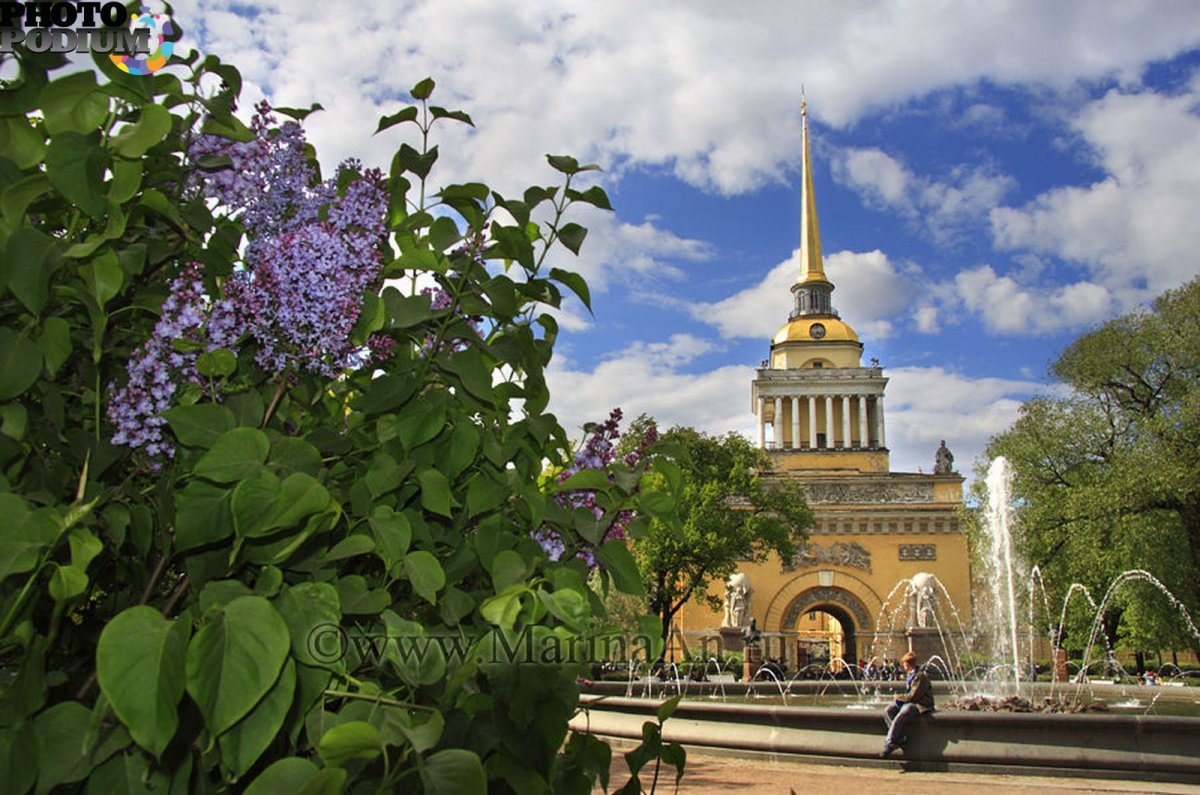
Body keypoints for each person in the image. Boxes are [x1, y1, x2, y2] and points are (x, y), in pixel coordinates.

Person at [881, 651, 934, 757]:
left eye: (904, 664)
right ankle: (899, 738)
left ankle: (888, 744)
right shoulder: (911, 675)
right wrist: (899, 699)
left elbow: (914, 696)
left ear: (907, 664)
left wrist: (899, 698)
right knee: (888, 710)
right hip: (912, 701)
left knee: (904, 711)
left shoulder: (920, 676)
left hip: (921, 704)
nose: (903, 666)